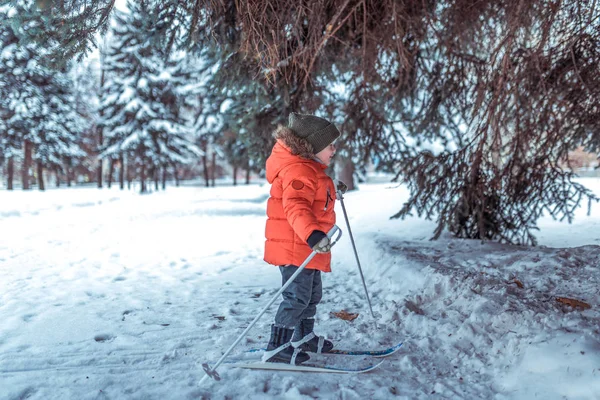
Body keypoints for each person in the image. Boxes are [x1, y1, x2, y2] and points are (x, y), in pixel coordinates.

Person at [262, 112, 347, 365]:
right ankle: (276, 347)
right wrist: (313, 234)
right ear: (313, 147)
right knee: (296, 297)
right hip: (296, 246)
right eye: (329, 144)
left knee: (311, 295)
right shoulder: (299, 170)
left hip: (305, 248)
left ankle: (303, 336)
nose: (334, 149)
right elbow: (296, 206)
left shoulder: (309, 169)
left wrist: (333, 191)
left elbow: (315, 196)